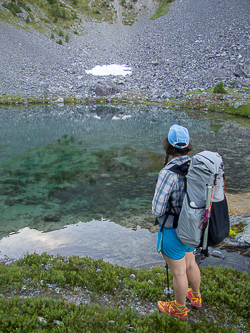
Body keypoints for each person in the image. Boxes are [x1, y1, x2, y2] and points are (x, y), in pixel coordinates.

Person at [152, 124, 202, 321]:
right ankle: (195, 297)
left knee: (179, 272)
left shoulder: (168, 173)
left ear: (168, 146)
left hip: (173, 230)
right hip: (193, 228)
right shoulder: (197, 166)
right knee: (190, 264)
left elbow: (157, 209)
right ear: (188, 144)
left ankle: (179, 309)